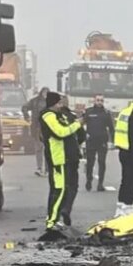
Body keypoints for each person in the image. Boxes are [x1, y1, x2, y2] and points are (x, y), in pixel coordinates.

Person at [42, 91, 83, 229]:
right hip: (57, 158)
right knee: (59, 190)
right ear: (53, 103)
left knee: (61, 190)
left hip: (64, 157)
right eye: (59, 103)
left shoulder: (59, 115)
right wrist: (77, 124)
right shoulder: (48, 116)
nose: (61, 105)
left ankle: (54, 218)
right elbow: (60, 132)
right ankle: (51, 221)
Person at [113, 92, 133, 216]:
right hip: (131, 150)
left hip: (122, 149)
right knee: (131, 181)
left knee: (125, 180)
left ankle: (120, 207)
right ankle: (128, 207)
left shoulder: (124, 112)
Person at [81, 94, 113, 191]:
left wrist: (112, 141)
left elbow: (111, 128)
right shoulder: (88, 112)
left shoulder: (107, 113)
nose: (99, 102)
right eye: (98, 100)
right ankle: (89, 180)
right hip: (91, 140)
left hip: (102, 141)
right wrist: (82, 138)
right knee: (90, 162)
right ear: (94, 101)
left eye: (101, 100)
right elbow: (81, 124)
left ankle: (100, 184)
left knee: (101, 162)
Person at [24, 86, 49, 176]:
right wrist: (26, 116)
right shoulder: (34, 101)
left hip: (48, 128)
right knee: (39, 148)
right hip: (37, 128)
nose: (45, 94)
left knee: (47, 150)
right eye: (44, 92)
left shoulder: (52, 102)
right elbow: (25, 107)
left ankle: (47, 169)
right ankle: (39, 168)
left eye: (47, 93)